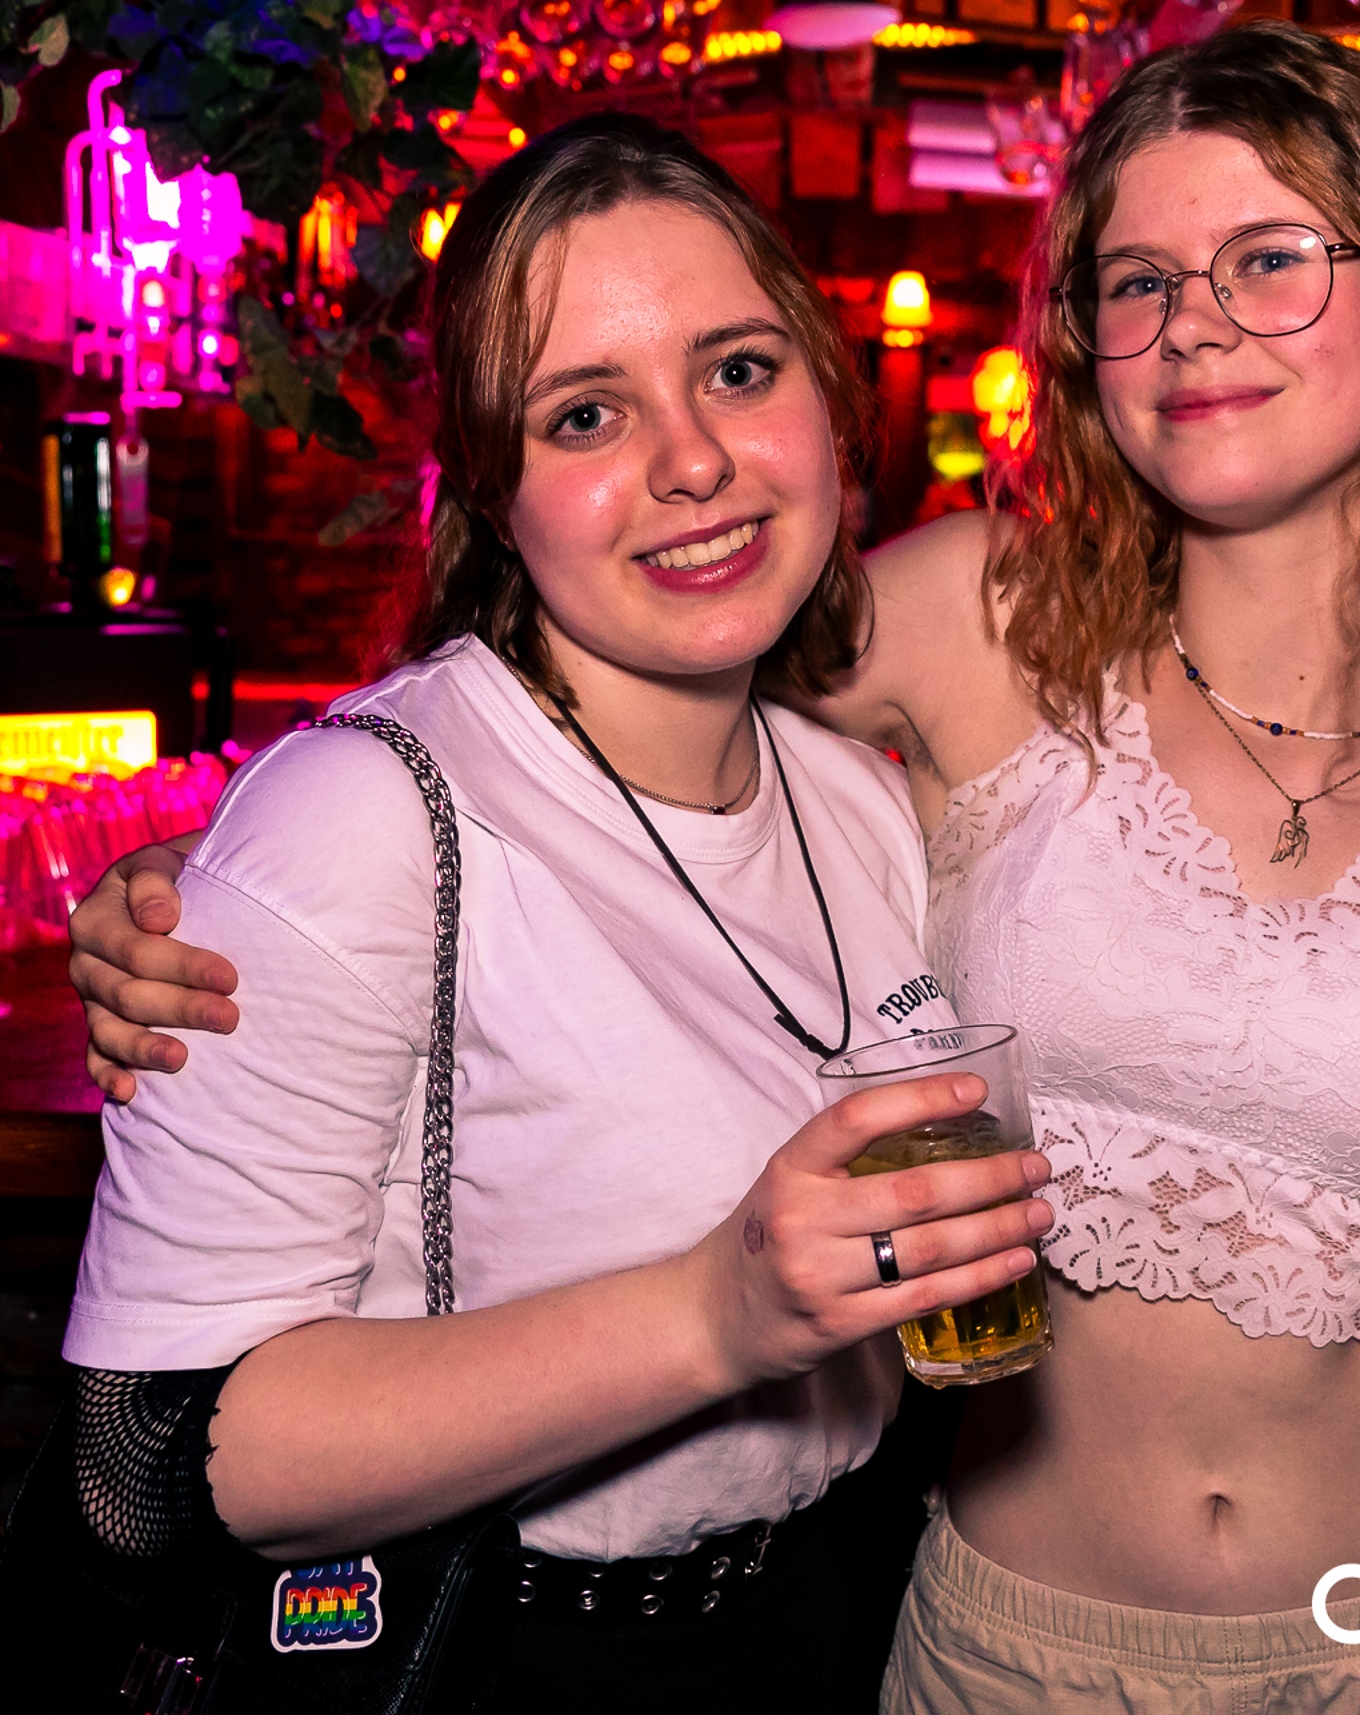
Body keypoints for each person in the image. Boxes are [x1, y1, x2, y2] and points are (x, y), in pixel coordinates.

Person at [73, 25, 1360, 1710]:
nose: (1195, 324)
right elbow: (601, 704)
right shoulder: (977, 624)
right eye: (1140, 282)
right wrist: (222, 862)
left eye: (1270, 259)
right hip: (1007, 1652)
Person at [53, 114, 1054, 1714]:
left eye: (738, 371)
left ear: (826, 395)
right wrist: (717, 1315)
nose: (693, 462)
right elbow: (144, 1462)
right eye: (587, 413)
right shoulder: (367, 815)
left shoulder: (857, 803)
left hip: (829, 1624)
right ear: (491, 489)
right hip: (502, 1661)